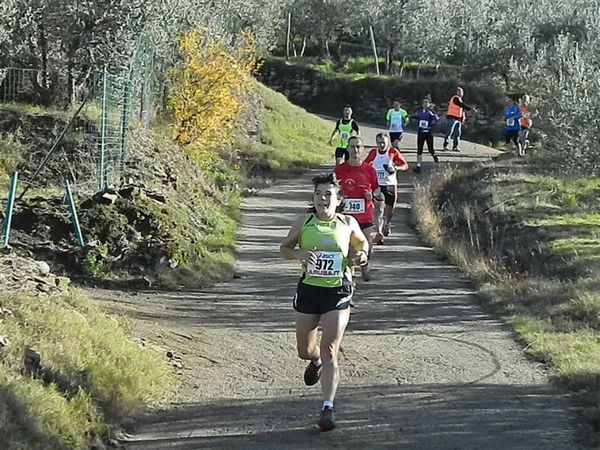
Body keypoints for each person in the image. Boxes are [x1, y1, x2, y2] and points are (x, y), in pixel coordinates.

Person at [280, 172, 369, 432]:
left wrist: (361, 255)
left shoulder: (347, 222)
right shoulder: (303, 222)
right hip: (309, 290)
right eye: (318, 194)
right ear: (313, 198)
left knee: (331, 350)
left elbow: (362, 242)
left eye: (328, 194)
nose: (322, 198)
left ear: (338, 199)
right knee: (305, 351)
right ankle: (314, 360)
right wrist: (298, 253)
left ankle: (327, 407)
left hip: (337, 292)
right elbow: (283, 248)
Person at [334, 136, 382, 281]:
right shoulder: (339, 170)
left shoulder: (369, 170)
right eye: (352, 146)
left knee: (368, 246)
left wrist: (371, 195)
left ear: (362, 150)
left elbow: (378, 190)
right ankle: (350, 279)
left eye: (358, 147)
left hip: (365, 216)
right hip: (346, 217)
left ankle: (365, 264)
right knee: (348, 249)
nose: (355, 150)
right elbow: (333, 189)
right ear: (347, 149)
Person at [364, 133, 409, 243]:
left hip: (390, 185)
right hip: (378, 185)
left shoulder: (393, 152)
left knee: (389, 210)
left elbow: (405, 165)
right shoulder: (373, 153)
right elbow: (364, 165)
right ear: (376, 143)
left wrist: (395, 168)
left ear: (388, 142)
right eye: (379, 143)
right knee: (378, 209)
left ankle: (387, 224)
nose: (382, 144)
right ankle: (379, 232)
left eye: (384, 142)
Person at [442, 87, 476, 152]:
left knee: (457, 133)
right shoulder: (455, 98)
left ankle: (455, 147)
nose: (462, 93)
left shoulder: (460, 99)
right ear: (457, 92)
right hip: (452, 117)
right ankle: (445, 146)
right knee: (449, 132)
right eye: (460, 92)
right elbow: (460, 105)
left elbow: (461, 109)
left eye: (462, 92)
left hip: (458, 119)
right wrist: (470, 109)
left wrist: (463, 117)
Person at [412, 98, 440, 173]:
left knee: (431, 150)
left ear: (429, 104)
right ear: (422, 104)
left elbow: (437, 119)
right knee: (419, 149)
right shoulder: (420, 111)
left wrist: (433, 114)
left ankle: (435, 159)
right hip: (421, 132)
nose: (425, 104)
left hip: (428, 133)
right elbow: (415, 116)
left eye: (427, 103)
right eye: (424, 102)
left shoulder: (431, 112)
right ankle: (418, 166)